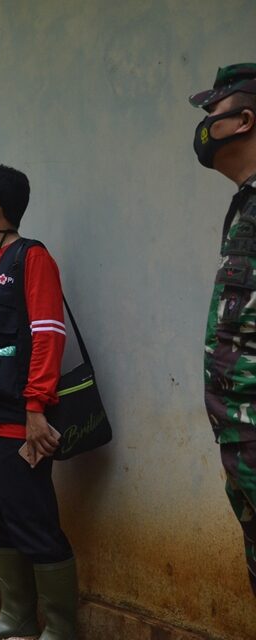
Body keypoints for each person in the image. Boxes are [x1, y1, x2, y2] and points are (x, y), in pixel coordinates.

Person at [0, 165, 78, 640]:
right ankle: (17, 617)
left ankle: (62, 629)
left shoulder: (33, 258)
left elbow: (49, 334)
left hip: (20, 423)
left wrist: (35, 407)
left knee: (34, 521)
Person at [190, 63, 256, 596]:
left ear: (244, 120)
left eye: (213, 114)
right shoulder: (246, 206)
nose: (204, 126)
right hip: (240, 437)